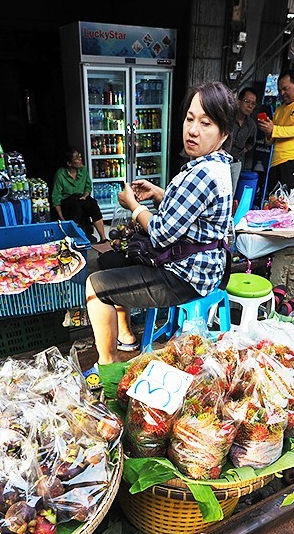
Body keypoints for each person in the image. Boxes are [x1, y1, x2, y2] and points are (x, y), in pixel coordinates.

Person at [85, 81, 236, 365]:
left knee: (95, 286)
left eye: (206, 123)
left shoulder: (202, 173)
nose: (192, 130)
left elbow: (160, 234)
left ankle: (108, 363)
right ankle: (127, 337)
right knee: (109, 263)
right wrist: (159, 193)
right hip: (199, 264)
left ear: (224, 132)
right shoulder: (215, 165)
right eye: (190, 119)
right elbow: (193, 213)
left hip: (187, 276)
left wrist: (134, 205)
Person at [257, 70, 294, 194]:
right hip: (276, 162)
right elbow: (271, 141)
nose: (282, 93)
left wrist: (274, 129)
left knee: (290, 204)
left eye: (285, 88)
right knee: (273, 202)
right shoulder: (279, 110)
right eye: (280, 90)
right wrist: (268, 130)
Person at [51, 147, 107, 242]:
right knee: (77, 206)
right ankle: (74, 238)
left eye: (79, 156)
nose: (80, 159)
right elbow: (56, 197)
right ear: (69, 163)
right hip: (67, 201)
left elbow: (88, 186)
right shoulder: (60, 174)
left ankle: (103, 238)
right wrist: (62, 218)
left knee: (93, 203)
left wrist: (85, 195)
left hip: (81, 198)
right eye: (77, 158)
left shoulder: (83, 170)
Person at [227, 87, 258, 193]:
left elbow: (251, 142)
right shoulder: (227, 118)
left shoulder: (251, 125)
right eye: (247, 101)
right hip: (222, 161)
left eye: (253, 104)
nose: (250, 105)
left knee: (231, 192)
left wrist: (242, 151)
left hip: (237, 162)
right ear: (238, 102)